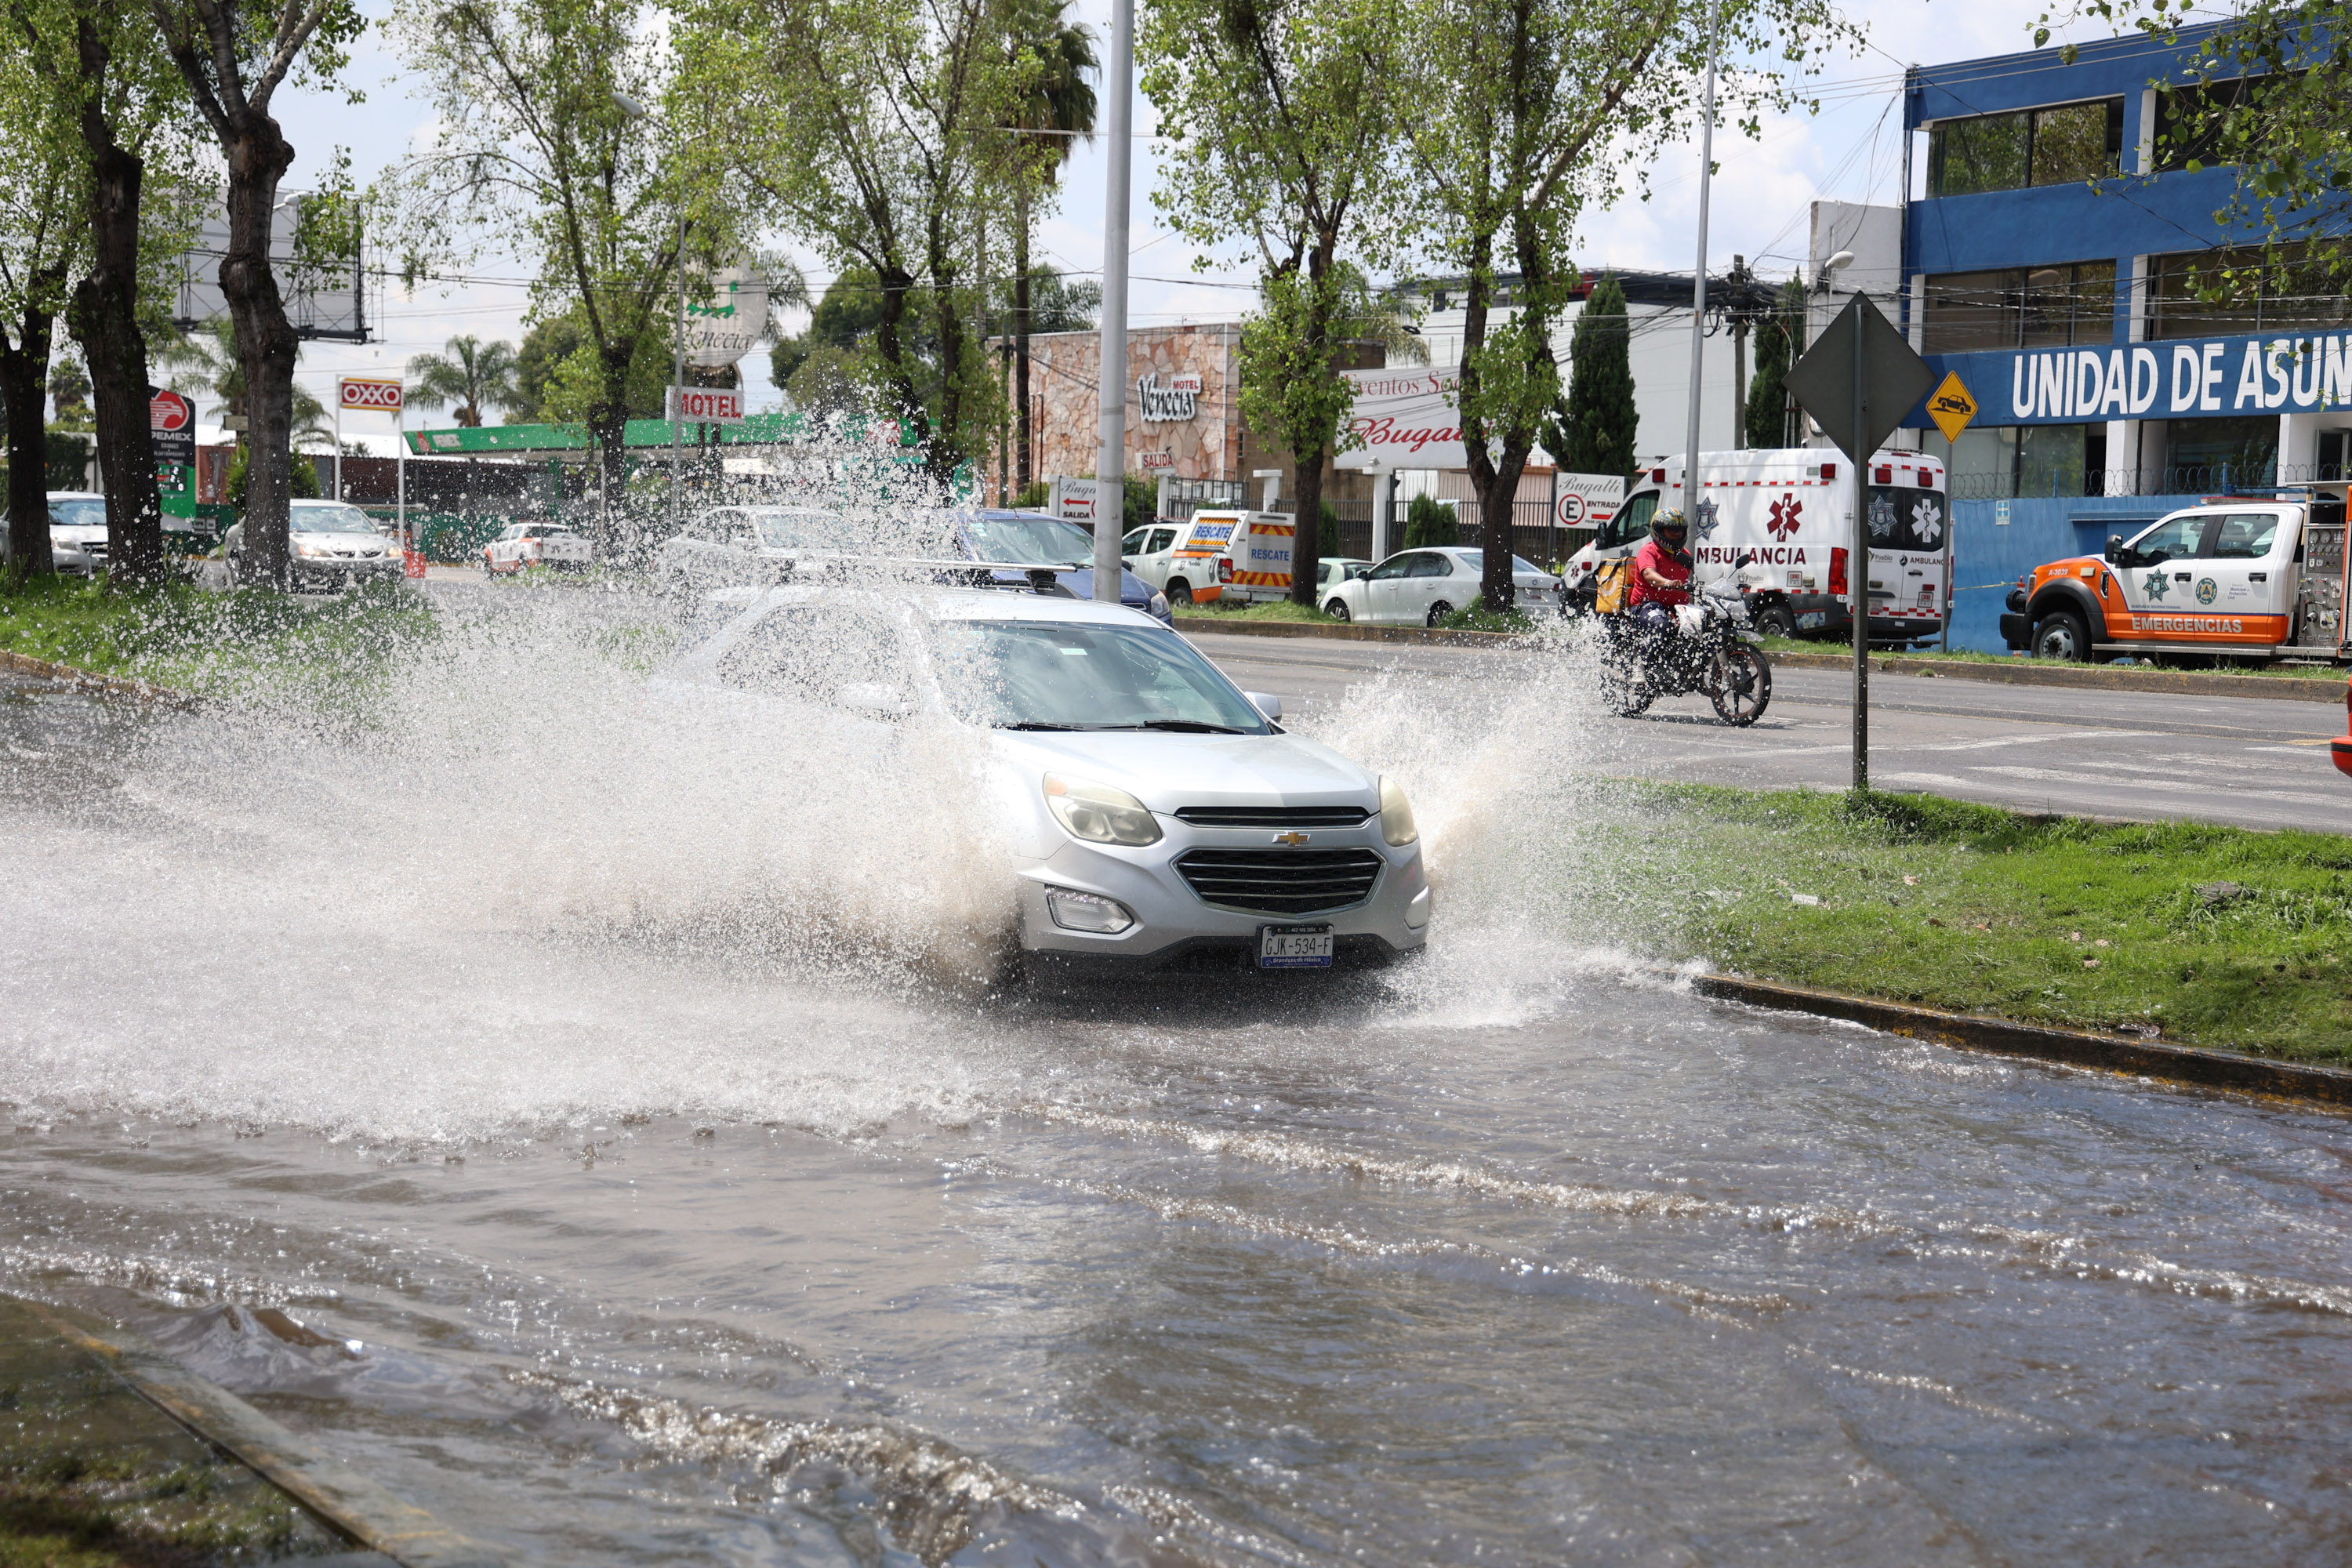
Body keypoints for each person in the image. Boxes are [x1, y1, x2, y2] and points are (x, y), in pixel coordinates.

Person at [1623, 508, 1693, 638]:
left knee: (1702, 624)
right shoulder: (1649, 551)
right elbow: (1649, 575)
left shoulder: (1685, 554)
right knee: (1659, 623)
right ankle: (1646, 659)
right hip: (1646, 606)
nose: (1678, 534)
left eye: (1681, 530)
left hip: (1677, 608)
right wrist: (1668, 583)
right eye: (1672, 530)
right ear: (1659, 531)